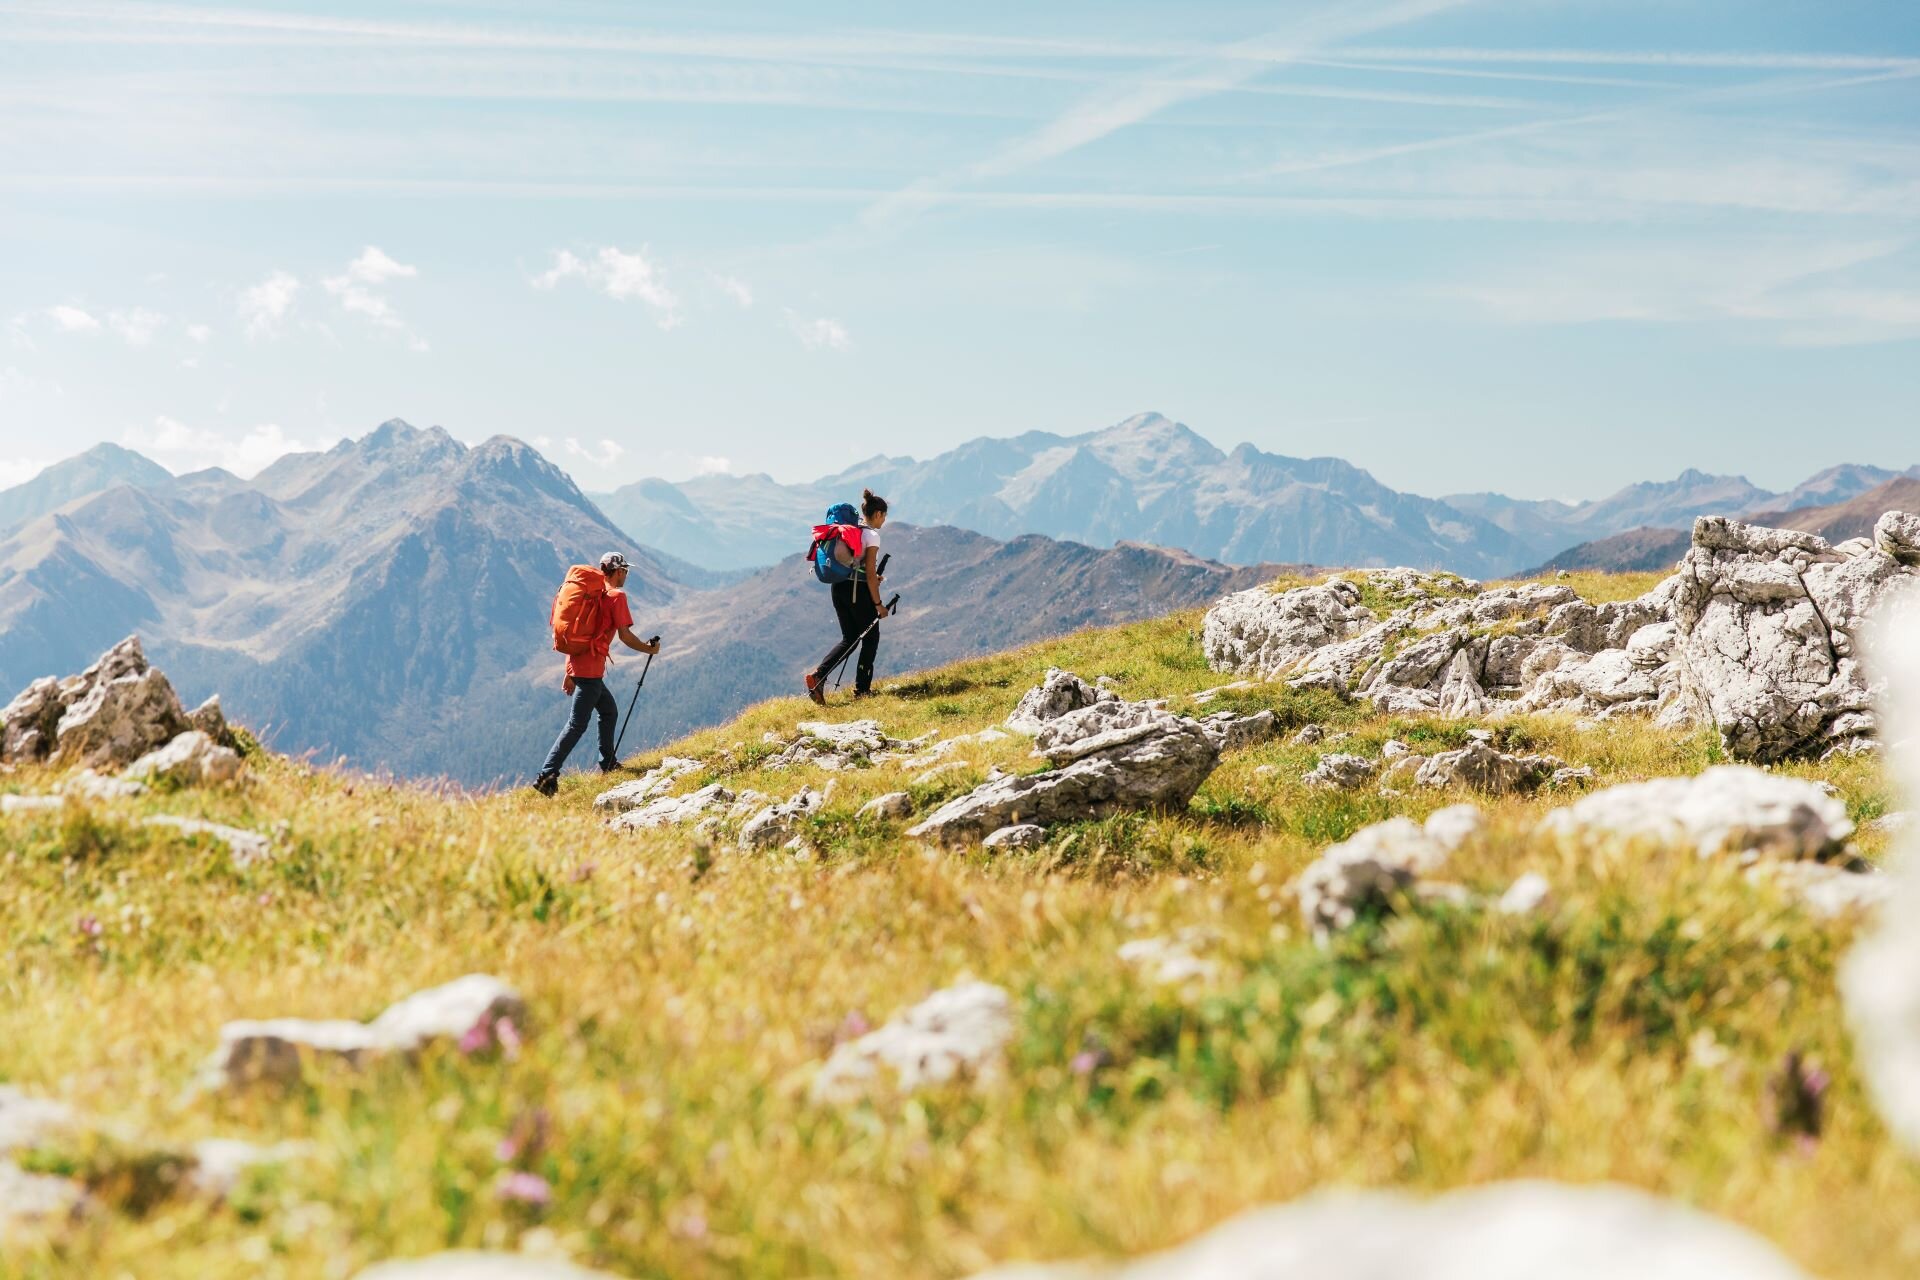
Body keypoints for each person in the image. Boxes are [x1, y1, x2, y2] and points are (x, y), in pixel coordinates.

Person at [533, 552, 659, 795]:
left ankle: (608, 763)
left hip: (584, 667)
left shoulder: (595, 594)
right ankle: (547, 776)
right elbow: (625, 635)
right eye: (626, 571)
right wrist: (649, 649)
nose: (626, 576)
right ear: (619, 571)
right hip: (590, 672)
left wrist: (570, 672)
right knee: (576, 724)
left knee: (609, 711)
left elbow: (580, 634)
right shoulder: (616, 596)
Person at [805, 489, 889, 703]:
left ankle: (818, 676)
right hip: (857, 592)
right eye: (884, 515)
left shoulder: (854, 531)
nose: (884, 520)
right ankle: (862, 691)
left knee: (850, 638)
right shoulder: (871, 535)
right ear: (878, 514)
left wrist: (868, 578)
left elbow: (858, 568)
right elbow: (870, 574)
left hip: (838, 588)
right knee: (870, 638)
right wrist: (878, 604)